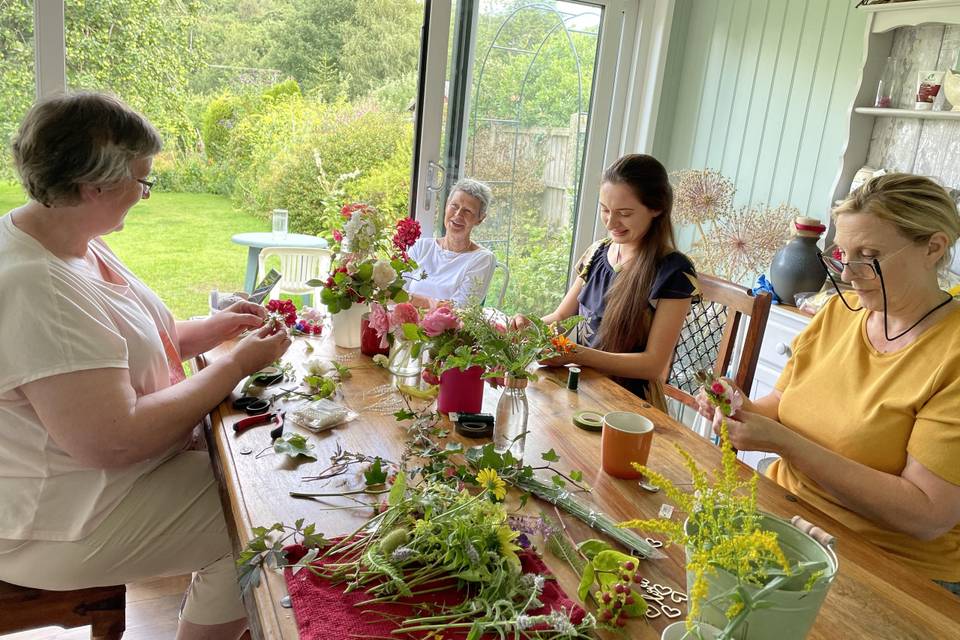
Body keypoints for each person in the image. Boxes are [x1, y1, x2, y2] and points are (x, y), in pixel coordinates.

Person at [0, 92, 291, 640]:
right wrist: (234, 367)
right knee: (263, 522)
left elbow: (123, 351)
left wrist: (218, 331)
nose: (145, 193)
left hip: (99, 482)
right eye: (142, 179)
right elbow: (115, 439)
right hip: (58, 517)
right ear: (94, 186)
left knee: (260, 475)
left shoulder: (72, 239)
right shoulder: (34, 285)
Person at [698, 173, 960, 593]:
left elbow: (927, 514)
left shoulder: (952, 355)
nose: (850, 274)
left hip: (891, 568)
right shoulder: (841, 312)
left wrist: (783, 443)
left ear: (933, 247)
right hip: (787, 515)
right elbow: (781, 406)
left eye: (868, 255)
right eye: (843, 255)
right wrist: (741, 409)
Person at [514, 154, 697, 407]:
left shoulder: (674, 271)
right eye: (605, 209)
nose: (611, 222)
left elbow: (653, 365)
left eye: (624, 213)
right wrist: (529, 325)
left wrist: (578, 354)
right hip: (581, 387)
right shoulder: (598, 253)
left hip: (630, 404)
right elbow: (561, 317)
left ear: (657, 208)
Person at [406, 178, 497, 308]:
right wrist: (438, 304)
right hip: (404, 324)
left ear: (480, 219)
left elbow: (461, 309)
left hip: (444, 328)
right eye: (454, 206)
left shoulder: (482, 259)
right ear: (446, 205)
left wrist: (412, 299)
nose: (458, 214)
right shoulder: (421, 246)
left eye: (468, 211)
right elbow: (395, 292)